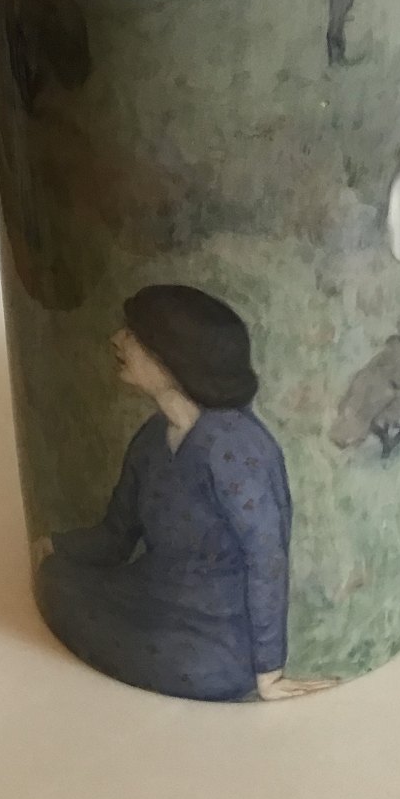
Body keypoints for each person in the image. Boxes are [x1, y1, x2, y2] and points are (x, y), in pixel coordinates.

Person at [33, 284, 335, 702]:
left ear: (173, 355)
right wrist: (55, 545)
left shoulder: (235, 446)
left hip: (214, 635)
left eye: (133, 334)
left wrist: (270, 671)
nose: (117, 339)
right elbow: (116, 537)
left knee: (186, 666)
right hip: (148, 598)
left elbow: (267, 558)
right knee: (55, 580)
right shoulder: (151, 439)